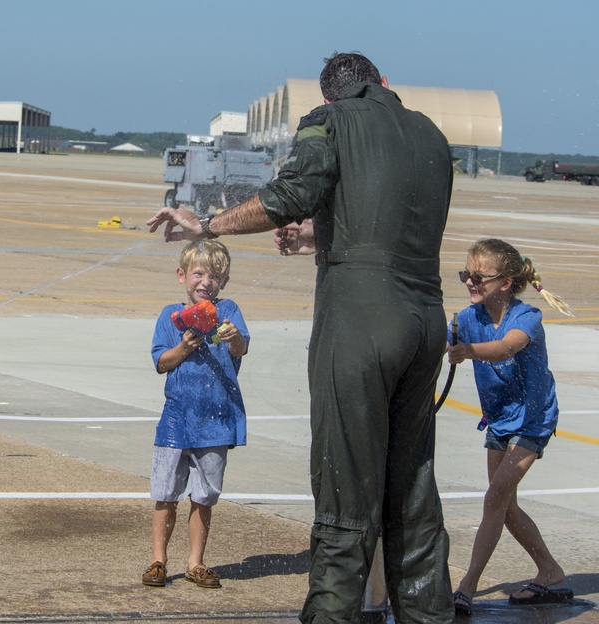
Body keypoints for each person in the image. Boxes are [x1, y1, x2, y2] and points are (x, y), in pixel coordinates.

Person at [147, 51, 454, 622]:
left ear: (335, 96)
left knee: (345, 489)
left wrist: (207, 224)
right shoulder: (430, 134)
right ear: (382, 84)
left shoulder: (330, 120)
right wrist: (320, 237)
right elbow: (388, 227)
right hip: (425, 318)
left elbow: (286, 195)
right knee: (412, 489)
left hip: (361, 323)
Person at [447, 239, 574, 615]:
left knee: (493, 499)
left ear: (505, 282)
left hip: (534, 420)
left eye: (478, 277)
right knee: (506, 505)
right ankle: (549, 570)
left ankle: (467, 586)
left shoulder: (527, 317)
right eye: (465, 275)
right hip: (500, 419)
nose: (470, 282)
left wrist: (467, 351)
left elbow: (505, 348)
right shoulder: (467, 318)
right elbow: (434, 342)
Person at [142, 239, 249, 590]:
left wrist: (233, 337)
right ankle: (158, 560)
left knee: (204, 496)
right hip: (176, 418)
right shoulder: (169, 316)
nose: (206, 282)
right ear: (181, 275)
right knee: (165, 493)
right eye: (198, 273)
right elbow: (161, 362)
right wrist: (183, 347)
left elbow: (241, 347)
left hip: (216, 421)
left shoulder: (229, 310)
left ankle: (195, 562)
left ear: (225, 281)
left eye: (215, 275)